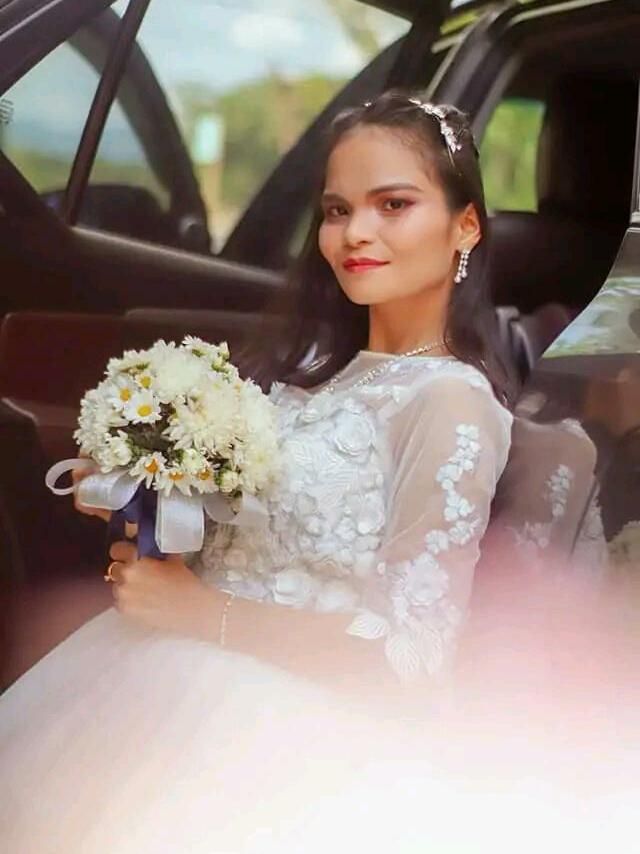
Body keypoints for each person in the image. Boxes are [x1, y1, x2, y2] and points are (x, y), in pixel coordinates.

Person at [0, 90, 515, 852]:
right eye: (337, 210)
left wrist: (203, 614)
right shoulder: (316, 373)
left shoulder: (451, 402)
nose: (355, 232)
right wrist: (144, 492)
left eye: (393, 204)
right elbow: (265, 535)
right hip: (161, 674)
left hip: (282, 731)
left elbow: (414, 656)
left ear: (465, 225)